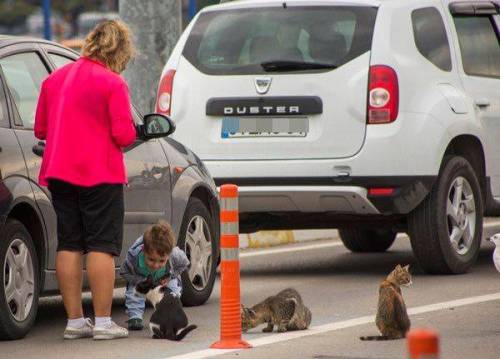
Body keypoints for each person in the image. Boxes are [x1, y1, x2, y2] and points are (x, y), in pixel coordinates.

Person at [34, 20, 137, 340]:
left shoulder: (54, 79)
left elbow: (40, 130)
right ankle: (104, 322)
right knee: (101, 245)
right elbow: (123, 134)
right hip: (99, 172)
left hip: (60, 172)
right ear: (119, 50)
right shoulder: (113, 83)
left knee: (69, 242)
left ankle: (75, 322)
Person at [120, 221, 190, 330]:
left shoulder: (175, 255)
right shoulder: (134, 257)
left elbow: (184, 264)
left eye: (162, 261)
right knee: (134, 291)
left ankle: (169, 315)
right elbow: (123, 272)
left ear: (169, 253)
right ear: (144, 251)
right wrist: (139, 281)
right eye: (151, 259)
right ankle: (135, 317)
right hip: (142, 278)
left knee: (173, 291)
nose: (156, 265)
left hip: (164, 278)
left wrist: (170, 276)